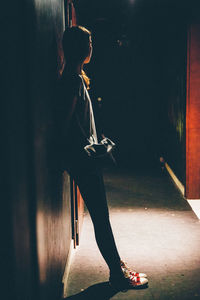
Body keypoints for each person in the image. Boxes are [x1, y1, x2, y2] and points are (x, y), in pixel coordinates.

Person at [57, 25, 148, 291]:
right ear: (78, 48)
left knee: (101, 216)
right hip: (82, 160)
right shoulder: (72, 81)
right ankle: (117, 273)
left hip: (84, 158)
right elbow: (63, 126)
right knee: (101, 216)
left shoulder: (76, 77)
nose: (91, 47)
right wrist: (73, 153)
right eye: (88, 42)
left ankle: (117, 268)